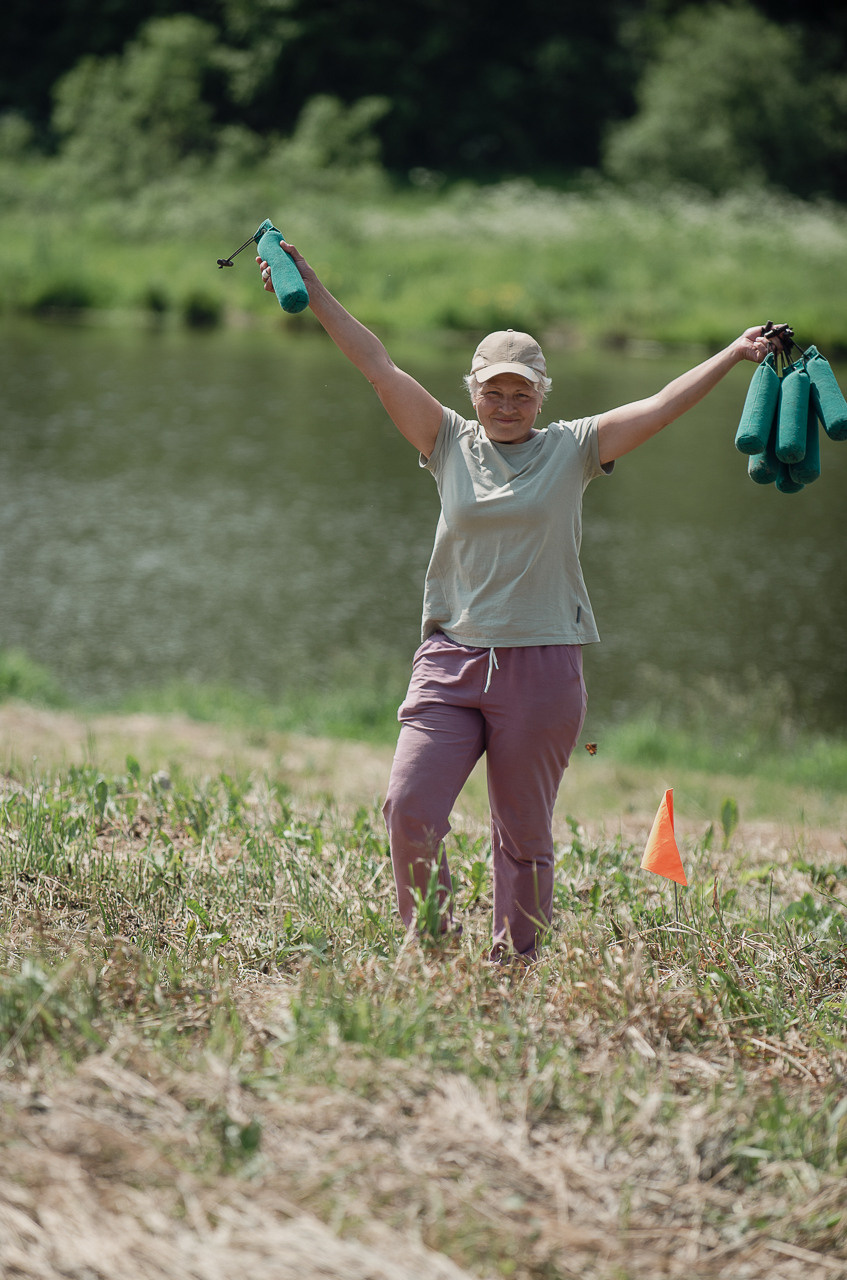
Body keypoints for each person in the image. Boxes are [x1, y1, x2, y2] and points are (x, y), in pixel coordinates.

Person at [257, 240, 784, 960]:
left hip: (541, 668)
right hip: (449, 660)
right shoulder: (444, 439)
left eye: (520, 392)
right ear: (472, 390)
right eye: (493, 391)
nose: (506, 404)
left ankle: (515, 968)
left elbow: (660, 406)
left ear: (541, 394)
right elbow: (377, 368)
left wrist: (733, 354)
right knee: (408, 809)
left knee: (523, 838)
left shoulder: (573, 448)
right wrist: (311, 287)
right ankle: (435, 947)